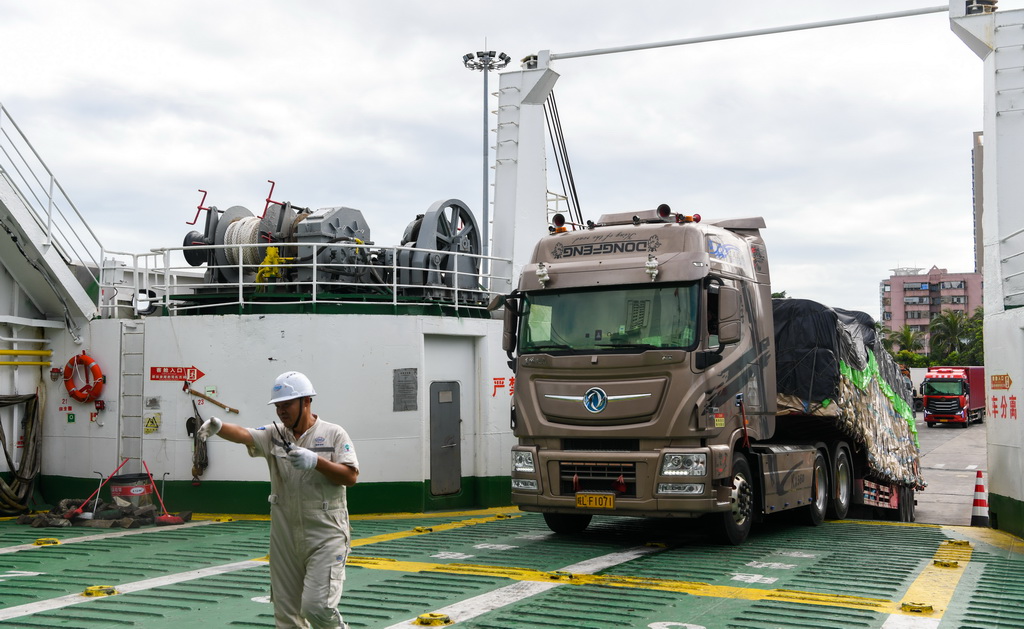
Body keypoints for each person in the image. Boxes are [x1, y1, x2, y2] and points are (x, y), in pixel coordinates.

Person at [198, 371, 359, 629]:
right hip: (285, 536)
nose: (281, 411)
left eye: (287, 405)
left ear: (306, 401)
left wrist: (316, 461)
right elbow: (244, 433)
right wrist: (219, 427)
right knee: (286, 616)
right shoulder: (274, 434)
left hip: (326, 534)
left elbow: (350, 476)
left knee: (317, 606)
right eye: (278, 406)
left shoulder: (334, 434)